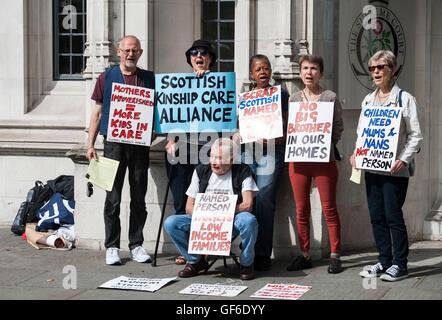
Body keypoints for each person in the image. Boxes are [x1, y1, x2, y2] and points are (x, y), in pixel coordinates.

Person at [350, 50, 423, 281]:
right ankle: (384, 260)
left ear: (392, 69)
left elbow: (416, 136)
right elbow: (363, 133)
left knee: (393, 216)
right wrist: (356, 153)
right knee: (376, 215)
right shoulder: (368, 100)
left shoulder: (405, 99)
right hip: (372, 168)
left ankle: (400, 264)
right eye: (372, 69)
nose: (376, 72)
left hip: (395, 171)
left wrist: (403, 158)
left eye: (380, 67)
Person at [86, 35, 155, 265]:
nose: (131, 54)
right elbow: (96, 113)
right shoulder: (106, 78)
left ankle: (136, 245)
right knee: (112, 197)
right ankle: (112, 246)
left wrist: (154, 130)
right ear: (118, 52)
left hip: (139, 146)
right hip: (113, 145)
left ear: (141, 52)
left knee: (139, 197)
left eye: (135, 50)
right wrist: (90, 144)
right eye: (126, 50)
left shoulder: (149, 79)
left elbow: (158, 113)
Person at [163, 138, 259, 280]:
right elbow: (189, 207)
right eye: (212, 156)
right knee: (171, 222)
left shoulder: (243, 171)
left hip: (231, 219)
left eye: (220, 158)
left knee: (249, 220)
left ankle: (246, 263)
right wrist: (207, 214)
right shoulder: (201, 170)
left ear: (231, 160)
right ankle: (195, 260)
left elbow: (247, 204)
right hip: (204, 219)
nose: (214, 161)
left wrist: (223, 212)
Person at [286, 54, 344, 274]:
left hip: (323, 159)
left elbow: (338, 126)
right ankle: (305, 254)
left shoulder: (330, 97)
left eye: (314, 69)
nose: (309, 72)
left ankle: (335, 255)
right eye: (305, 68)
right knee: (301, 209)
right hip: (298, 161)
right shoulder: (293, 99)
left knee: (329, 208)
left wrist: (325, 144)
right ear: (300, 72)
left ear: (321, 73)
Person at [164, 39, 216, 265]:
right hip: (181, 149)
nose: (199, 56)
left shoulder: (219, 83)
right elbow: (172, 113)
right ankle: (185, 249)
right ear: (190, 59)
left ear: (210, 58)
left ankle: (204, 247)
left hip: (207, 149)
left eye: (204, 53)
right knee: (180, 200)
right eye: (194, 53)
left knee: (203, 201)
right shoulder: (180, 83)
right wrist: (169, 140)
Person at [237, 54, 289, 271]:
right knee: (248, 199)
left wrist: (274, 138)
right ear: (252, 74)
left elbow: (287, 127)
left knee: (265, 197)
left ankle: (262, 253)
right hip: (248, 152)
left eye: (266, 68)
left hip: (271, 151)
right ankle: (247, 248)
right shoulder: (245, 97)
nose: (263, 72)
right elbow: (238, 126)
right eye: (258, 69)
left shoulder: (281, 95)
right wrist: (240, 134)